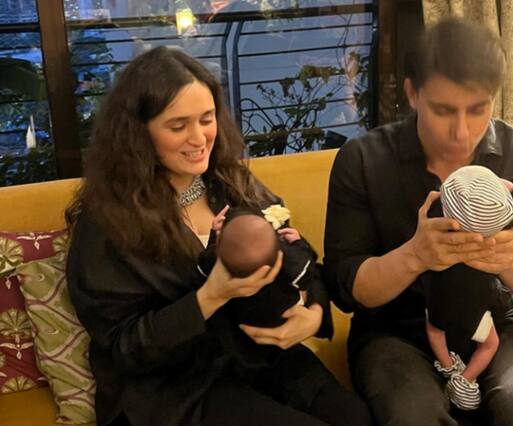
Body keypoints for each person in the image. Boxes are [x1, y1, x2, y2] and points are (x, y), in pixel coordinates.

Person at [65, 46, 371, 426]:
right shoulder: (106, 222)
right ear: (138, 134)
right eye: (178, 126)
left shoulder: (230, 182)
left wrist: (315, 313)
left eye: (206, 119)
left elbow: (296, 255)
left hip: (255, 357)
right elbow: (125, 348)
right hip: (174, 388)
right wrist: (211, 295)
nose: (199, 138)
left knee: (356, 417)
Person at [323, 17, 513, 425]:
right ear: (412, 94)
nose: (462, 132)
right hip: (394, 330)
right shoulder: (363, 160)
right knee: (412, 416)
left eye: (478, 109)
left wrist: (509, 259)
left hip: (499, 321)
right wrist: (414, 256)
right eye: (443, 110)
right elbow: (343, 286)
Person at [425, 165, 513, 411]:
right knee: (489, 344)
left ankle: (448, 366)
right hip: (476, 308)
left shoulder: (440, 219)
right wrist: (511, 186)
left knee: (434, 330)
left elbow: (438, 199)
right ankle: (465, 380)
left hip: (440, 299)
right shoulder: (498, 231)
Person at [198, 207, 319, 328]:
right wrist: (298, 243)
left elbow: (203, 266)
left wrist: (214, 236)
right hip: (279, 318)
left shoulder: (216, 257)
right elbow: (306, 273)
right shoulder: (286, 258)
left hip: (239, 321)